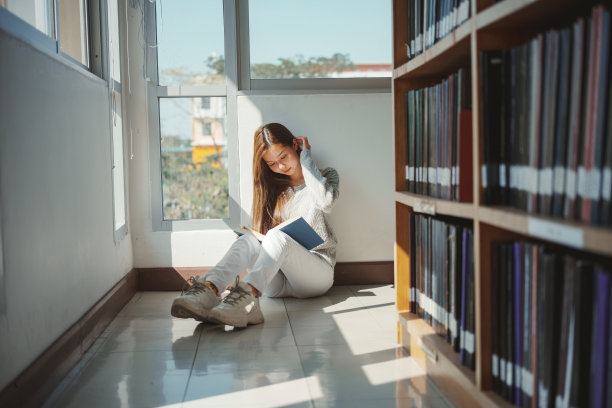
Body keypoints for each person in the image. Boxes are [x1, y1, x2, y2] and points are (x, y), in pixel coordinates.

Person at [170, 122, 339, 328]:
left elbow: (325, 202)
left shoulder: (325, 176)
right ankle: (209, 290)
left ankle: (245, 300)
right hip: (274, 281)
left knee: (278, 237)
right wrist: (249, 241)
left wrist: (306, 158)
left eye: (283, 157)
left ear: (296, 145)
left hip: (315, 275)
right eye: (272, 164)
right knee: (248, 240)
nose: (281, 166)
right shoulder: (274, 188)